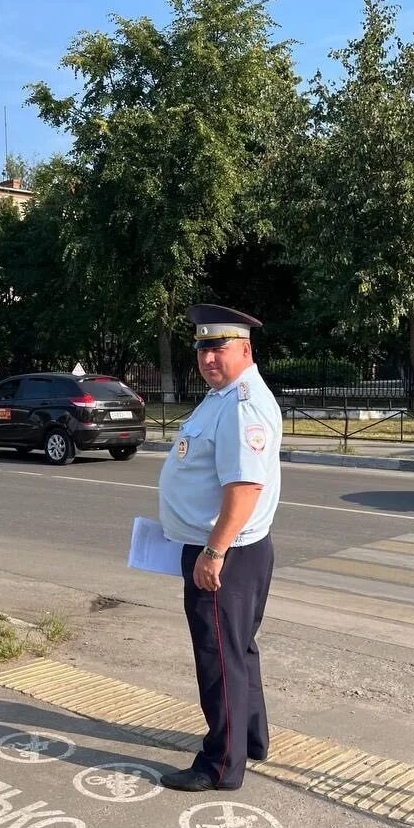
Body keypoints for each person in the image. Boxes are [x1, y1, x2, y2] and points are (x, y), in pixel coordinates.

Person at [156, 304, 282, 792]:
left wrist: (213, 553)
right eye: (203, 348)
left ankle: (219, 764)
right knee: (238, 650)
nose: (208, 357)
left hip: (226, 554)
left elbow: (245, 488)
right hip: (230, 549)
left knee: (219, 658)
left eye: (219, 347)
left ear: (244, 349)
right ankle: (250, 738)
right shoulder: (223, 396)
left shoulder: (242, 403)